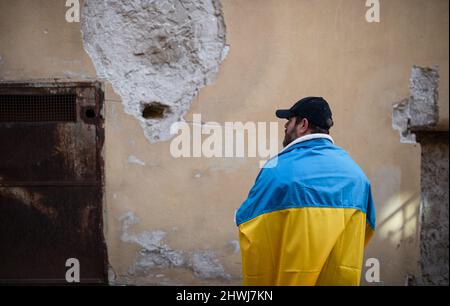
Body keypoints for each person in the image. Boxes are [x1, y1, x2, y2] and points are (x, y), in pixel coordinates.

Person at [235, 96, 376, 286]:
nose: (285, 127)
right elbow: (366, 231)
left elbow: (249, 225)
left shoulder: (277, 171)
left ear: (303, 124)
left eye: (289, 121)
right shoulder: (358, 177)